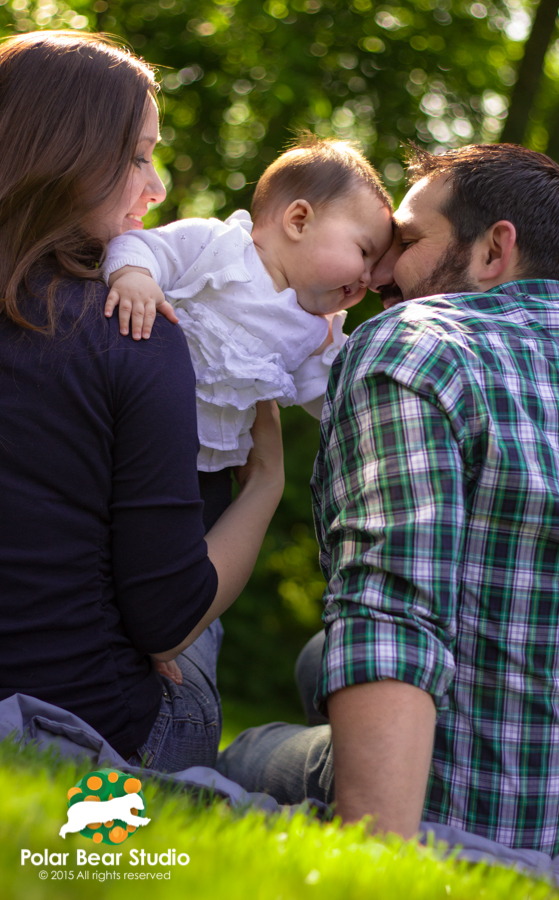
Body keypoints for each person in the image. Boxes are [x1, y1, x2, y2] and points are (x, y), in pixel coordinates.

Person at [218, 143, 559, 858]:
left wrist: (379, 859)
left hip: (460, 822)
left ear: (494, 250)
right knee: (317, 659)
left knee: (247, 752)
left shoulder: (418, 344)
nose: (380, 274)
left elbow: (394, 612)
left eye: (408, 242)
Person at [0, 31, 283, 772]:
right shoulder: (135, 334)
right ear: (62, 152)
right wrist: (264, 487)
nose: (155, 189)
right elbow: (165, 624)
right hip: (95, 725)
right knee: (194, 633)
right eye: (137, 156)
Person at [101, 138, 393, 471]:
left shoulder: (313, 332)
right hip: (125, 419)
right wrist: (134, 277)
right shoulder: (218, 246)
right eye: (364, 252)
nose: (369, 279)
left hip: (203, 467)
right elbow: (142, 245)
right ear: (298, 220)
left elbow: (335, 399)